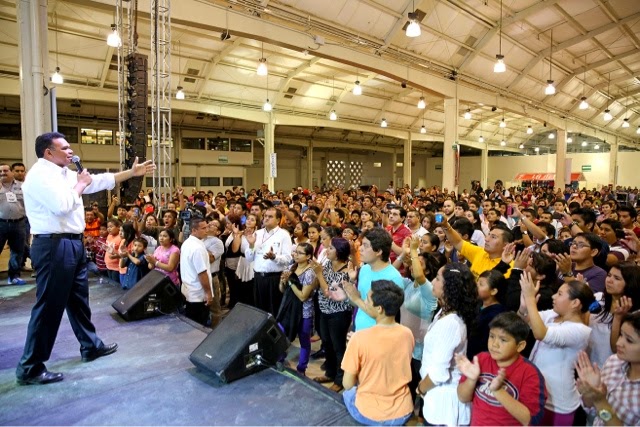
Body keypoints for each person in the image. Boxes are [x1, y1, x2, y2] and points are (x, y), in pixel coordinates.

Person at [16, 131, 154, 385]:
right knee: (49, 306)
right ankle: (30, 366)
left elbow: (100, 181)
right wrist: (80, 185)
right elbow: (61, 205)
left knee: (79, 301)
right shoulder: (38, 176)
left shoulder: (64, 174)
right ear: (48, 152)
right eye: (65, 148)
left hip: (72, 244)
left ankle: (90, 346)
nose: (71, 152)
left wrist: (131, 174)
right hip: (53, 246)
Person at [519, 273, 594, 425]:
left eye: (559, 294)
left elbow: (541, 333)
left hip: (558, 403)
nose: (553, 297)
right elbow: (523, 322)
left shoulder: (580, 331)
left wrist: (530, 299)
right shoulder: (553, 316)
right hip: (536, 393)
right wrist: (523, 307)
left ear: (575, 303)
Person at [341, 280, 414, 426]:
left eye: (367, 299)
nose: (365, 303)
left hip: (370, 413)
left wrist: (352, 347)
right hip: (403, 410)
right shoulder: (407, 333)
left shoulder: (359, 338)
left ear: (379, 308)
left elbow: (348, 383)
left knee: (347, 393)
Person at [456, 312, 547, 426]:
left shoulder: (530, 373)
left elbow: (530, 420)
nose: (494, 344)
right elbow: (462, 397)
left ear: (520, 346)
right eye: (492, 336)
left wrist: (498, 391)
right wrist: (471, 380)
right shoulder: (481, 359)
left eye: (503, 340)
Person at [417, 263, 478, 426]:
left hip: (444, 405)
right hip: (437, 397)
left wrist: (420, 389)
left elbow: (438, 374)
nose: (433, 281)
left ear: (449, 287)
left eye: (437, 278)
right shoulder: (445, 311)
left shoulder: (450, 324)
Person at [576, 311, 640, 427]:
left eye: (629, 340)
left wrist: (601, 401)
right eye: (621, 334)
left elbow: (600, 405)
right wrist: (590, 392)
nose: (619, 343)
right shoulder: (613, 361)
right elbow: (591, 408)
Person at [243, 207, 292, 316]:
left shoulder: (284, 235)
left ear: (278, 220)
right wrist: (251, 245)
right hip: (259, 278)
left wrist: (274, 257)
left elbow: (288, 259)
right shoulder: (257, 233)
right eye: (265, 216)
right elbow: (249, 258)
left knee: (275, 311)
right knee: (260, 311)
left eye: (270, 217)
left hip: (274, 279)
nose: (266, 219)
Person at [179, 218, 213, 326]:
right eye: (203, 228)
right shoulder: (197, 248)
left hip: (189, 290)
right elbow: (202, 273)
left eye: (207, 227)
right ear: (194, 230)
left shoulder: (187, 243)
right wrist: (208, 293)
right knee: (199, 325)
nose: (207, 230)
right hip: (198, 294)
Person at [0, 162, 27, 285]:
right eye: (0, 172)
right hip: (1, 223)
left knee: (17, 251)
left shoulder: (22, 186)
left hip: (19, 223)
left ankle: (14, 276)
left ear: (11, 172)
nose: (2, 173)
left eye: (5, 171)